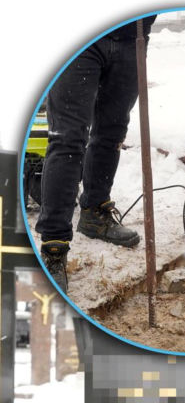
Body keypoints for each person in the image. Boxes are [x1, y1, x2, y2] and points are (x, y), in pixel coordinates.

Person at [36, 17, 154, 291]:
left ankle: (94, 213)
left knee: (112, 131)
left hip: (132, 38)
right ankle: (54, 247)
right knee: (67, 140)